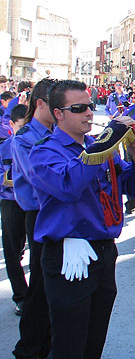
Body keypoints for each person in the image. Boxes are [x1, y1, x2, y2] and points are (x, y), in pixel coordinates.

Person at [29, 80, 135, 359]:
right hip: (69, 254)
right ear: (58, 114)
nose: (88, 113)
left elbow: (130, 189)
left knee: (94, 341)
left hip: (104, 250)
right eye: (78, 108)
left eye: (88, 106)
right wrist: (107, 142)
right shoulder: (45, 151)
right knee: (69, 345)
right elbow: (68, 185)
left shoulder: (97, 146)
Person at [12, 79, 57, 359]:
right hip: (39, 214)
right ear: (40, 103)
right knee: (40, 283)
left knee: (52, 284)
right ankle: (29, 347)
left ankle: (48, 341)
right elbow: (41, 179)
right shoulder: (25, 137)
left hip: (54, 213)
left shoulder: (56, 133)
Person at [0, 104, 28, 316]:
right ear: (11, 125)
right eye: (20, 127)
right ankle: (20, 296)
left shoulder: (36, 144)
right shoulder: (3, 148)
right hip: (10, 202)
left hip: (33, 203)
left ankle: (36, 295)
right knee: (11, 250)